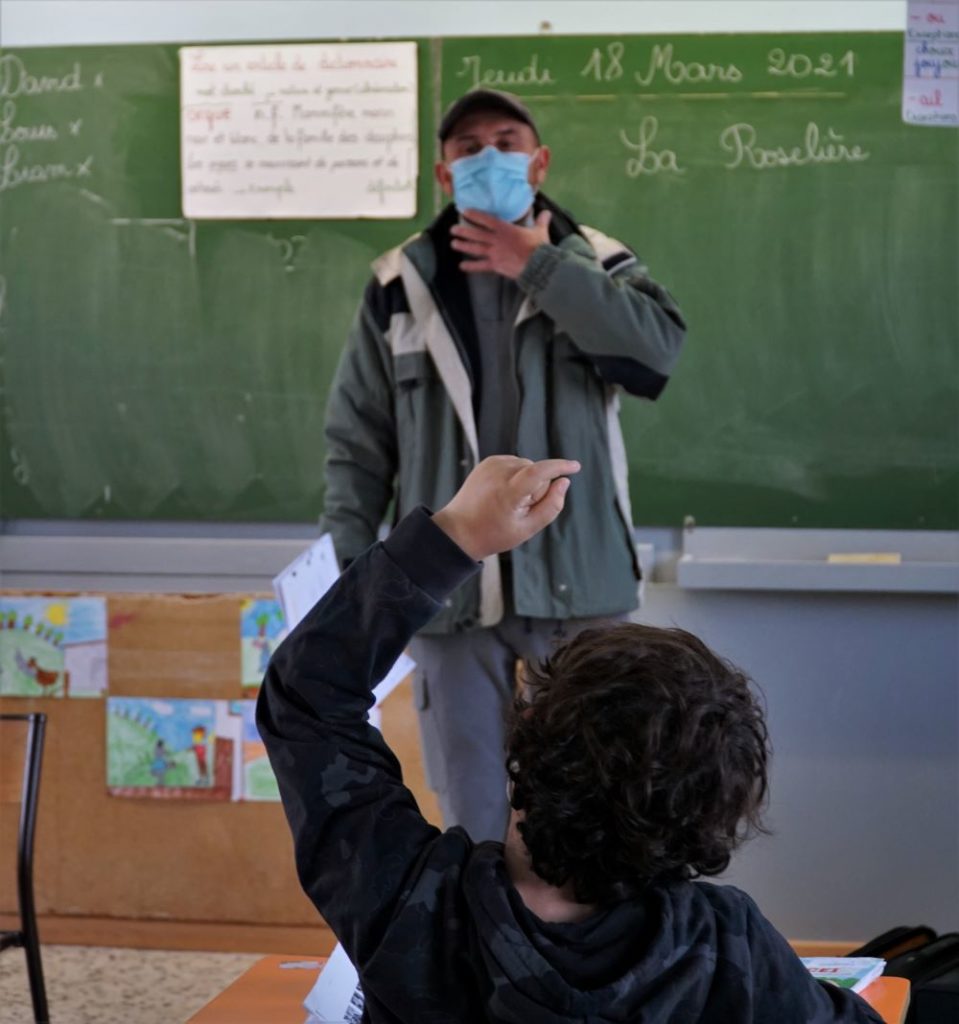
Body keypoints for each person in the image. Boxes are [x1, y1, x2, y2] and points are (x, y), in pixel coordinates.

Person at [257, 456, 881, 1024]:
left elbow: (310, 696)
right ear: (706, 824)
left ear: (520, 759)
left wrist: (452, 538)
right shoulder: (724, 947)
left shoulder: (408, 902)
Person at [320, 88, 686, 841]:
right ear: (443, 176)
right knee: (473, 815)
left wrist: (540, 266)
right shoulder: (400, 283)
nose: (489, 156)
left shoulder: (596, 256)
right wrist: (360, 584)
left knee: (601, 804)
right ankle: (485, 958)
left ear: (539, 159)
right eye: (468, 147)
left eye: (507, 140)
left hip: (580, 585)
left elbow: (656, 354)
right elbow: (358, 441)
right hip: (446, 588)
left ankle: (597, 956)